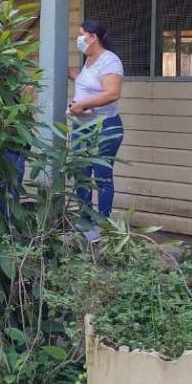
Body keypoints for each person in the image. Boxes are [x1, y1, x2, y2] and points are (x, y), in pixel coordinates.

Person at [67, 19, 124, 241]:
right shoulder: (89, 59)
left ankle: (102, 227)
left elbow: (112, 93)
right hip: (82, 126)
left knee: (102, 177)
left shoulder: (110, 61)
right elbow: (90, 84)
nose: (79, 39)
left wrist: (83, 105)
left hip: (104, 127)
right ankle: (84, 222)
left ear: (93, 37)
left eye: (82, 34)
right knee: (81, 174)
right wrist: (73, 75)